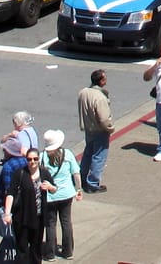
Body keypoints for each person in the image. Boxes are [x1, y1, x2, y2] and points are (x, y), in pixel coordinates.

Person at [38, 129, 82, 259]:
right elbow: (76, 174)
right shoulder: (67, 154)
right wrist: (78, 189)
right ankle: (68, 251)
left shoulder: (41, 157)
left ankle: (50, 253)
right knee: (66, 221)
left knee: (50, 223)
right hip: (67, 193)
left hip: (50, 195)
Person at [76, 69, 114, 194]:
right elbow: (104, 118)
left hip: (88, 129)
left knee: (88, 153)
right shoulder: (100, 97)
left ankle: (82, 176)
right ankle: (93, 183)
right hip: (99, 130)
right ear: (101, 81)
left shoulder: (83, 92)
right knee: (99, 156)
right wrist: (110, 128)